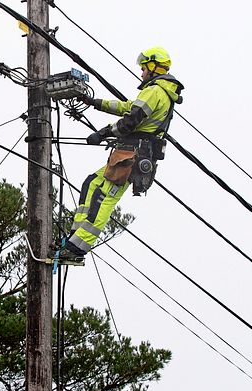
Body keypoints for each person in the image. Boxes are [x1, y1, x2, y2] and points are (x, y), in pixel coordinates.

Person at [58, 46, 184, 260]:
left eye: (144, 68)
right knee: (91, 183)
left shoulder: (155, 91)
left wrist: (103, 132)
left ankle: (78, 248)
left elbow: (131, 120)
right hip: (128, 154)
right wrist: (94, 103)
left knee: (102, 197)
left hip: (133, 156)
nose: (141, 73)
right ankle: (74, 237)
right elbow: (128, 106)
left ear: (153, 67)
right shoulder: (158, 91)